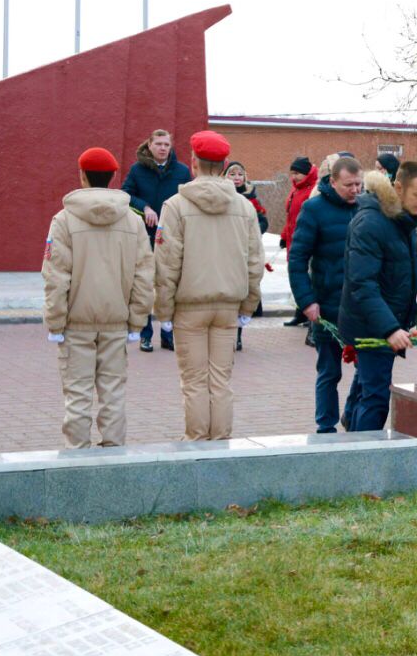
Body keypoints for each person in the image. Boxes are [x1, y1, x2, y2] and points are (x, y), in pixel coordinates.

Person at [154, 131, 265, 440]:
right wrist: (248, 305)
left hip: (190, 306)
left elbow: (166, 263)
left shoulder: (175, 205)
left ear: (193, 162)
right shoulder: (244, 207)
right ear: (225, 163)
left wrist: (163, 309)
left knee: (194, 381)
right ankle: (220, 444)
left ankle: (197, 442)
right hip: (228, 306)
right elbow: (255, 261)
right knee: (221, 380)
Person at [42, 147, 154, 449]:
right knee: (113, 394)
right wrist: (137, 321)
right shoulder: (133, 221)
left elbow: (55, 277)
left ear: (82, 175)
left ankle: (77, 461)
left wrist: (55, 322)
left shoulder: (64, 220)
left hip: (76, 323)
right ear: (113, 177)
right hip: (116, 323)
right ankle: (114, 458)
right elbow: (144, 276)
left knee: (77, 395)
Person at [338, 161, 417, 431]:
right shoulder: (371, 223)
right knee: (377, 396)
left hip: (385, 320)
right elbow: (363, 284)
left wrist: (410, 319)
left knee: (366, 384)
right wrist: (390, 328)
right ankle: (365, 458)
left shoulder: (401, 220)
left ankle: (351, 429)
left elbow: (401, 279)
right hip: (370, 324)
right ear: (399, 187)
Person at [288, 157, 363, 433]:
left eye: (359, 184)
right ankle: (325, 426)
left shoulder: (367, 208)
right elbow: (297, 259)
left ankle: (351, 414)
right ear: (332, 182)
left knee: (367, 371)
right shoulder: (313, 209)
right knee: (329, 372)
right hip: (327, 307)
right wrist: (306, 301)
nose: (355, 190)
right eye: (349, 185)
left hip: (362, 308)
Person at [121, 129, 192, 352]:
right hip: (145, 236)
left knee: (169, 285)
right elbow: (126, 195)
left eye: (166, 145)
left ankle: (168, 334)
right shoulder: (137, 169)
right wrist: (145, 208)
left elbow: (189, 199)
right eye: (159, 144)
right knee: (144, 287)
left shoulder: (181, 171)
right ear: (149, 146)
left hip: (172, 237)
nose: (163, 148)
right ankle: (145, 334)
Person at [224, 161, 268, 351]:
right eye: (232, 174)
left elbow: (263, 222)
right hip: (225, 253)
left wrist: (251, 231)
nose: (236, 178)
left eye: (239, 174)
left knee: (243, 294)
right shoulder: (221, 197)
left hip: (245, 254)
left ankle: (238, 334)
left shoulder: (252, 199)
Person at [282, 156, 318, 333]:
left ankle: (305, 311)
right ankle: (300, 312)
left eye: (297, 173)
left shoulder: (312, 190)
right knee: (296, 276)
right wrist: (283, 235)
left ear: (306, 173)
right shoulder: (295, 190)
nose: (294, 177)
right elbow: (290, 216)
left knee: (306, 278)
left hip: (305, 240)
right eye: (292, 173)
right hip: (293, 239)